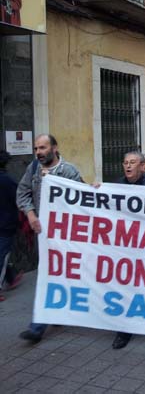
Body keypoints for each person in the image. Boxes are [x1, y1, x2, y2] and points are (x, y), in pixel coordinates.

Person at [17, 134, 83, 343]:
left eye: (43, 148)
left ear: (54, 148)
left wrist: (96, 190)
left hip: (65, 233)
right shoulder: (33, 169)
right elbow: (23, 192)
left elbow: (84, 199)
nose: (38, 152)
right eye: (36, 148)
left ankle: (39, 326)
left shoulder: (69, 171)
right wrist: (31, 214)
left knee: (58, 273)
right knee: (48, 273)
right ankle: (51, 314)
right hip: (43, 234)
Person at [111, 151, 145, 350]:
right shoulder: (116, 185)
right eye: (125, 163)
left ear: (143, 166)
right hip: (124, 247)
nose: (128, 166)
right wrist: (97, 191)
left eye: (133, 162)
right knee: (125, 286)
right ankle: (124, 330)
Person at [0, 150, 23, 301]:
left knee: (4, 253)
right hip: (5, 224)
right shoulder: (8, 181)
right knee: (3, 254)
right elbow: (20, 199)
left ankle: (11, 276)